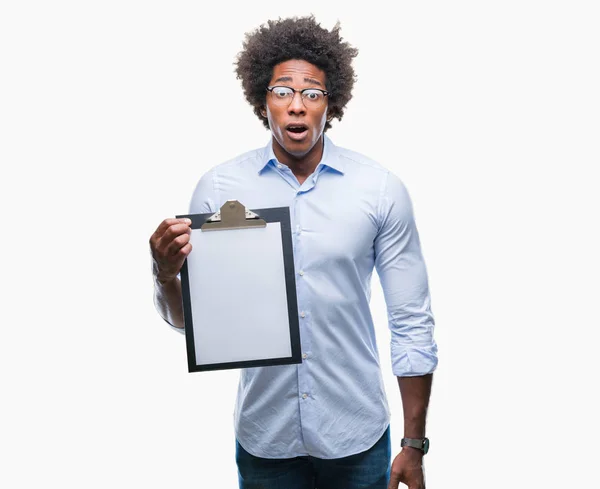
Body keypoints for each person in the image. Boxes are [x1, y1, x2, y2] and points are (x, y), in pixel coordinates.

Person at [149, 15, 438, 489]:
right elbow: (193, 323)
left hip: (357, 434)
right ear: (262, 101)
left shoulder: (380, 190)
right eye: (283, 91)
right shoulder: (219, 188)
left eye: (312, 93)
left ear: (332, 103)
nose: (297, 107)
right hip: (266, 438)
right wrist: (164, 275)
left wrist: (414, 443)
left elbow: (412, 320)